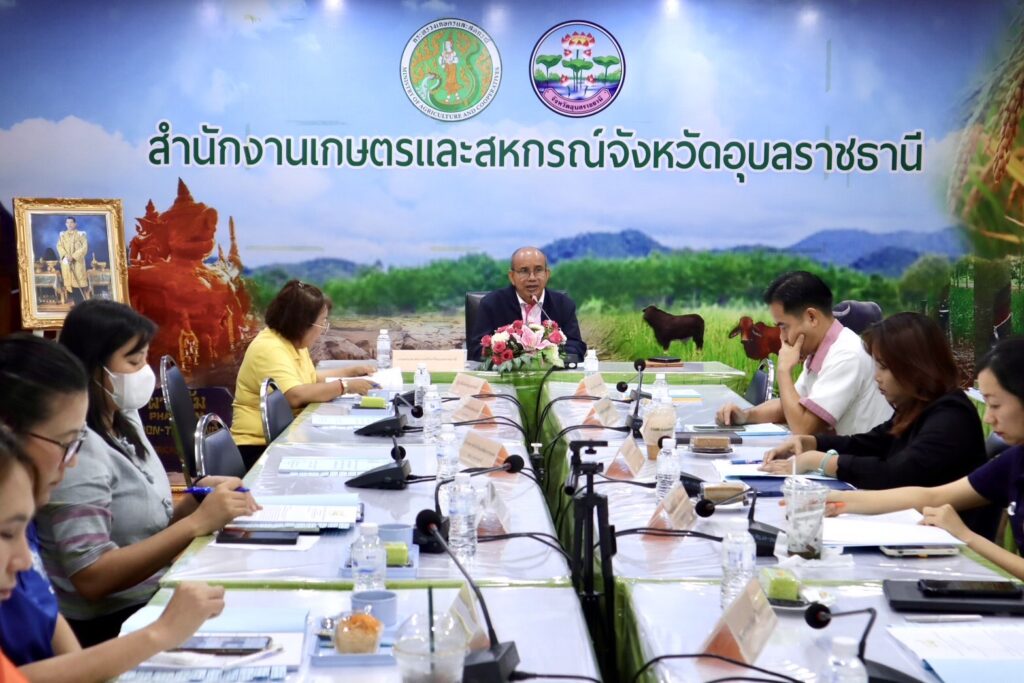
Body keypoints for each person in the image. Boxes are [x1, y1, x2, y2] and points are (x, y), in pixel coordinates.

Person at [32, 302, 258, 647]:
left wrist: (198, 498)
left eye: (145, 359)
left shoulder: (124, 418)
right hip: (112, 623)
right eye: (134, 362)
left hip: (153, 594)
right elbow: (91, 578)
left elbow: (148, 528)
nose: (144, 372)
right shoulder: (79, 450)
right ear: (93, 366)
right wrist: (196, 524)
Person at [0, 362, 225, 683]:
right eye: (66, 443)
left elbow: (50, 618)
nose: (73, 461)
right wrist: (159, 634)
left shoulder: (20, 517)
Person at [827, 338, 1024, 580]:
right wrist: (837, 500)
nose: (988, 418)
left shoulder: (951, 417)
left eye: (995, 405)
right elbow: (932, 497)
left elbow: (896, 475)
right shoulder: (1016, 459)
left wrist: (966, 536)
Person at [715, 271, 891, 435]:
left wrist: (784, 371)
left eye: (784, 327)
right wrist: (746, 416)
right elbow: (789, 406)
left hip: (859, 457)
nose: (783, 338)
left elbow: (803, 428)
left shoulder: (846, 355)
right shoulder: (819, 351)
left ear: (811, 318)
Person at [231, 280, 377, 468]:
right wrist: (345, 386)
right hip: (259, 447)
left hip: (287, 435)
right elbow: (295, 395)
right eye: (322, 323)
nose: (322, 329)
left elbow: (310, 379)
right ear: (302, 323)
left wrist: (349, 372)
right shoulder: (269, 348)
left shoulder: (291, 342)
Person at [468, 247, 586, 362]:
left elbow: (576, 347)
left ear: (547, 274)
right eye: (524, 271)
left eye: (538, 270)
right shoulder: (492, 304)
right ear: (512, 277)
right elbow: (476, 350)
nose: (532, 278)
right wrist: (514, 355)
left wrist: (546, 356)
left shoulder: (563, 304)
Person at [56, 217, 89, 306]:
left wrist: (73, 257)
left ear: (75, 224)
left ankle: (81, 306)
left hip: (77, 264)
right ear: (66, 224)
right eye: (67, 223)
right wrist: (66, 256)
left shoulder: (81, 235)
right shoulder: (62, 235)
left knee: (78, 285)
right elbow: (59, 246)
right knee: (70, 286)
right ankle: (77, 306)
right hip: (67, 263)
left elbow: (84, 248)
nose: (69, 224)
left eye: (71, 222)